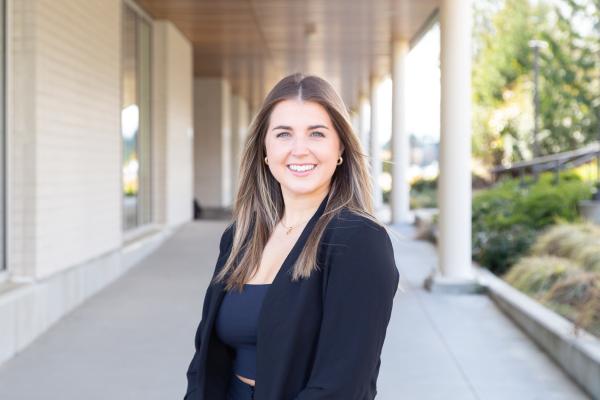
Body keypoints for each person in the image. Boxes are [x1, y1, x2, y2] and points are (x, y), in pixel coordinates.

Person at [184, 72, 400, 400]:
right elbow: (204, 362)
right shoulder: (239, 238)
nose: (300, 150)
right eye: (284, 134)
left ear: (340, 146)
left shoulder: (359, 242)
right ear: (265, 150)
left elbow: (342, 386)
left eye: (316, 134)